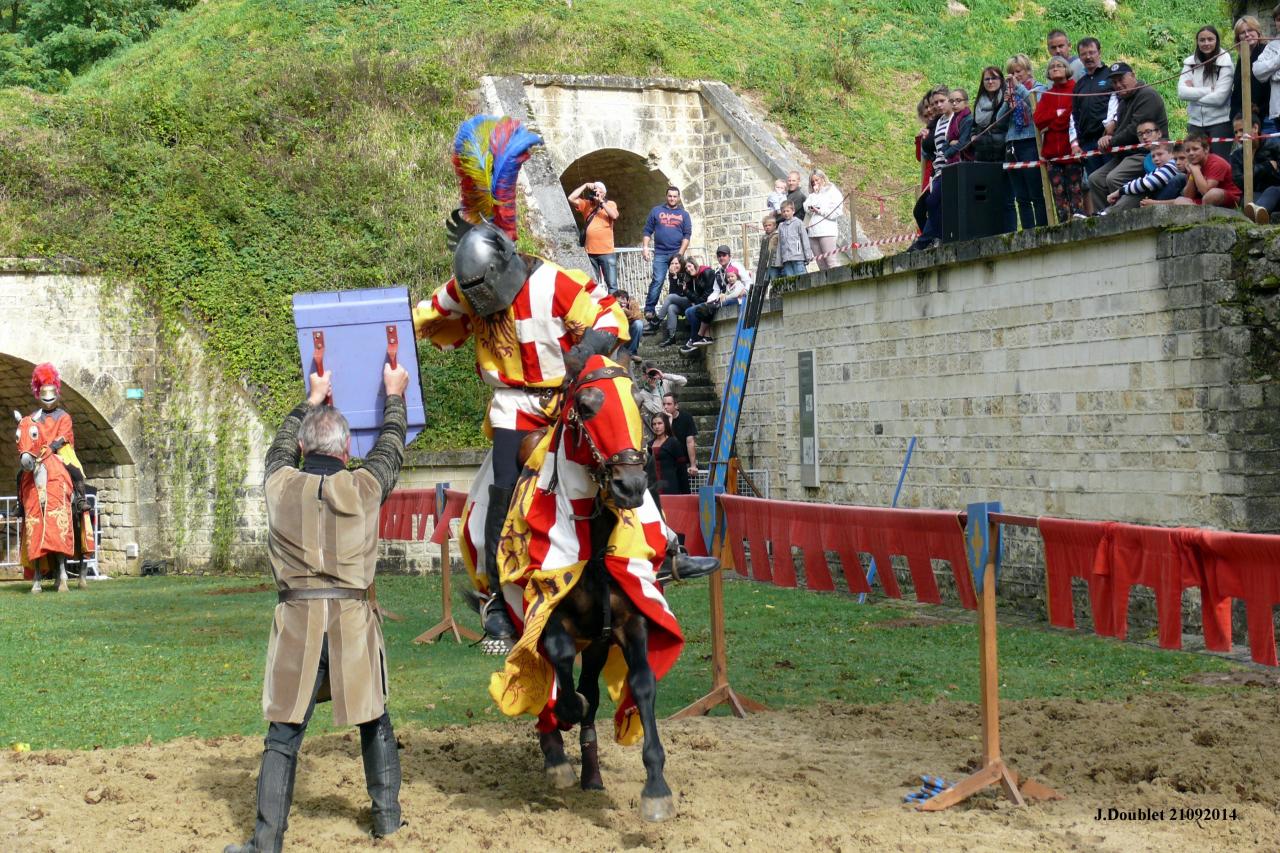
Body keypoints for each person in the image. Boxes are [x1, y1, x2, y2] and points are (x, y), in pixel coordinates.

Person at [414, 116, 627, 652]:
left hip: (571, 399)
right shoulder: (468, 286)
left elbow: (608, 313)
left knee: (625, 459)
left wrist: (590, 348)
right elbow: (422, 314)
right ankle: (496, 609)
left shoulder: (555, 282)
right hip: (514, 409)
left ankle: (663, 547)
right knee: (496, 497)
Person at [224, 363, 410, 853]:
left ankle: (267, 843)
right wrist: (393, 394)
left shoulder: (280, 485)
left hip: (298, 625)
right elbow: (391, 447)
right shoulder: (365, 486)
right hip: (351, 620)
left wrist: (310, 399)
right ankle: (388, 822)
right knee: (375, 718)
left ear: (305, 448)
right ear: (346, 450)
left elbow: (277, 449)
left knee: (283, 733)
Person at [1088, 62, 1169, 214]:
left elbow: (1134, 129)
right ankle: (1103, 220)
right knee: (1095, 179)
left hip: (1147, 153)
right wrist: (1107, 137)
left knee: (1114, 178)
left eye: (1121, 80)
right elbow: (1120, 128)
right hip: (1126, 154)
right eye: (1114, 82)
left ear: (1132, 76)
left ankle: (1121, 218)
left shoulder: (1147, 95)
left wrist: (1111, 142)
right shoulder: (1123, 102)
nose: (1118, 85)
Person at [1035, 56, 1086, 221]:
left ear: (1066, 69)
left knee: (1076, 192)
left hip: (1071, 150)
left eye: (1059, 65)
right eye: (1052, 67)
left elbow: (1072, 115)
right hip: (1052, 153)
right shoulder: (1047, 94)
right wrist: (1058, 116)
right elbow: (1038, 119)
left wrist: (1053, 121)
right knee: (1058, 195)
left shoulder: (1075, 89)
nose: (1055, 68)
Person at [1003, 54, 1049, 230]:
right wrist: (1006, 103)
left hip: (1030, 141)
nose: (1015, 76)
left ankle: (1043, 226)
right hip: (1012, 142)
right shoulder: (1012, 93)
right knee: (1020, 195)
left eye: (1018, 71)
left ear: (1028, 70)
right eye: (1011, 73)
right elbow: (1001, 120)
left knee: (1035, 190)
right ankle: (1028, 229)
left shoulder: (1039, 88)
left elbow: (1035, 107)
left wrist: (1019, 89)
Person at [1144, 131, 1240, 209]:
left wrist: (1195, 170)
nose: (1191, 153)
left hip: (1229, 198)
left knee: (1213, 194)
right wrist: (1192, 174)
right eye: (1188, 150)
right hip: (1204, 202)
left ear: (1206, 149)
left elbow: (1206, 192)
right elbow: (1188, 196)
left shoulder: (1216, 162)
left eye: (1195, 149)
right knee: (1179, 201)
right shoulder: (1193, 165)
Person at [1178, 26, 1234, 159]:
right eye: (1202, 40)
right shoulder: (1189, 63)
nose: (1206, 43)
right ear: (1197, 42)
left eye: (1210, 39)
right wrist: (1209, 90)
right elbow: (1181, 93)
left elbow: (1219, 99)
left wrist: (1192, 95)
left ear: (1217, 40)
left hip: (1220, 122)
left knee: (1219, 163)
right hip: (1195, 122)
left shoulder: (1225, 62)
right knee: (1196, 162)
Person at [640, 186, 692, 321]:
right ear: (666, 196)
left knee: (676, 281)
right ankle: (649, 310)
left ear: (679, 198)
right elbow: (647, 231)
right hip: (661, 253)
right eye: (670, 196)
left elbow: (687, 235)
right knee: (657, 280)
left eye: (675, 196)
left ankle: (673, 311)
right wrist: (645, 247)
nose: (672, 198)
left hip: (676, 252)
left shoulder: (684, 215)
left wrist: (679, 255)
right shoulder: (656, 211)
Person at [682, 248, 747, 352]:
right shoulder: (718, 272)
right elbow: (716, 290)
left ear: (729, 256)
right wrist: (710, 300)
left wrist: (745, 292)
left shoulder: (736, 266)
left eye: (724, 255)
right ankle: (699, 337)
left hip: (736, 298)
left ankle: (697, 337)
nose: (721, 258)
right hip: (722, 297)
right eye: (719, 256)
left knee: (706, 308)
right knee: (691, 311)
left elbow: (747, 282)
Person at [1072, 37, 1114, 184]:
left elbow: (1119, 105)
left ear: (1099, 53)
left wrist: (1111, 132)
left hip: (1108, 140)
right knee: (1095, 183)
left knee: (1111, 181)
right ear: (1079, 57)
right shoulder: (1079, 84)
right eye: (1084, 54)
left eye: (1092, 52)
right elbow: (1074, 115)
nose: (1088, 57)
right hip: (1087, 143)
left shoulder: (1111, 76)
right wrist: (1076, 143)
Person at [568, 180, 620, 293]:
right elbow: (571, 198)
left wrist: (601, 202)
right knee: (591, 285)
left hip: (606, 251)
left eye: (599, 191)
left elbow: (614, 215)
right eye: (594, 190)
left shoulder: (610, 204)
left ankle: (613, 309)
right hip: (590, 252)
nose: (596, 193)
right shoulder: (586, 204)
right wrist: (585, 185)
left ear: (604, 193)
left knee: (612, 285)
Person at [1104, 138, 1182, 212]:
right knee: (1136, 188)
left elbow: (1147, 184)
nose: (1156, 159)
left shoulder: (1173, 165)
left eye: (1160, 154)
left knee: (1141, 190)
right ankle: (1109, 211)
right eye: (1153, 156)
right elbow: (1143, 181)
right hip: (1160, 201)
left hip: (1167, 202)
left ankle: (1109, 213)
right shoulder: (1159, 169)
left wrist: (1119, 191)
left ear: (1172, 154)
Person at [1237, 112, 1280, 221]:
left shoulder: (1274, 146)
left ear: (1255, 128)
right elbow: (1240, 181)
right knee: (1248, 199)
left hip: (1277, 192)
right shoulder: (1236, 156)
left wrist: (1254, 172)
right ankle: (1259, 215)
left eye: (1241, 130)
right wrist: (1266, 167)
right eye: (1235, 132)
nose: (1238, 135)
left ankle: (1259, 214)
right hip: (1254, 194)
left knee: (1273, 190)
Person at [1230, 17, 1268, 130]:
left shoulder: (1266, 52)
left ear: (1258, 32)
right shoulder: (1241, 58)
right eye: (1242, 32)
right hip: (1245, 117)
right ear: (1238, 38)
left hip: (1265, 115)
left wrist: (1259, 108)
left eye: (1250, 30)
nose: (1247, 34)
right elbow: (1237, 89)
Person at [805, 169, 845, 269]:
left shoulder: (832, 190)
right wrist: (814, 198)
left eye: (817, 180)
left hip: (827, 231)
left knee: (831, 262)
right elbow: (806, 206)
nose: (815, 183)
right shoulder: (813, 194)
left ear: (823, 178)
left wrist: (820, 210)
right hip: (813, 232)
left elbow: (837, 211)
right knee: (821, 265)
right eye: (812, 182)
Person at [634, 362, 687, 439]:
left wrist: (664, 375)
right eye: (649, 373)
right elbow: (658, 411)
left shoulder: (666, 382)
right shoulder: (643, 394)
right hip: (662, 428)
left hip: (676, 420)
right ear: (644, 376)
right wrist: (654, 389)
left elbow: (683, 381)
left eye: (654, 372)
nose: (653, 376)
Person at [647, 412, 690, 496]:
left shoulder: (673, 442)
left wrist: (686, 494)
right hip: (653, 487)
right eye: (654, 424)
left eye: (660, 423)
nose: (657, 426)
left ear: (665, 424)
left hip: (670, 487)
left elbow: (682, 470)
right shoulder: (649, 444)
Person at [657, 254, 695, 347]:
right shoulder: (673, 275)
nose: (674, 265)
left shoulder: (686, 273)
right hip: (681, 304)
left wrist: (676, 277)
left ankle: (657, 320)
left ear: (681, 264)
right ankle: (671, 337)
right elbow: (673, 292)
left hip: (691, 302)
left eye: (676, 263)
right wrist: (674, 277)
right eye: (672, 263)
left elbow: (682, 293)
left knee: (670, 297)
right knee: (671, 307)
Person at [1253, 5, 1280, 135]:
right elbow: (1258, 71)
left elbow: (1269, 72)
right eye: (1279, 19)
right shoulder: (1271, 46)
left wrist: (1274, 74)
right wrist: (1278, 61)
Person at [663, 393, 698, 481]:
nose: (665, 407)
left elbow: (690, 442)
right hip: (667, 462)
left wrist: (693, 465)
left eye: (669, 404)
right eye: (664, 404)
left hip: (682, 460)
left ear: (676, 405)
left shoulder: (686, 417)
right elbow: (663, 440)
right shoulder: (661, 419)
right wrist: (669, 421)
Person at [775, 199, 812, 275]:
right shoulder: (781, 226)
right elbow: (779, 245)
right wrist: (779, 261)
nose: (786, 213)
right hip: (786, 259)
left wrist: (808, 255)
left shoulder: (798, 223)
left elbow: (804, 240)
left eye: (787, 211)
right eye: (783, 211)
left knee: (801, 278)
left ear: (793, 211)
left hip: (798, 258)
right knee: (790, 281)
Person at [615, 290, 645, 362]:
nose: (621, 303)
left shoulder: (632, 303)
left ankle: (631, 353)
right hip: (619, 336)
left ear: (626, 299)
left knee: (638, 324)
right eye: (618, 302)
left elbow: (638, 316)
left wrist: (626, 311)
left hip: (630, 333)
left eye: (623, 300)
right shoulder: (613, 306)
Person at [756, 213, 781, 289]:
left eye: (769, 225)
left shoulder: (777, 235)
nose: (767, 227)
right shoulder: (764, 237)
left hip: (774, 262)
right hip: (765, 263)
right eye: (765, 226)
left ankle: (777, 293)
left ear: (774, 226)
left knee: (775, 279)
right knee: (764, 282)